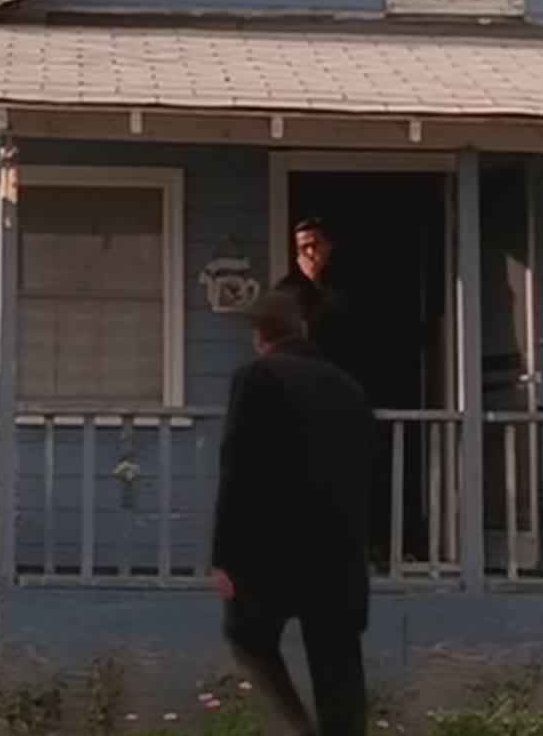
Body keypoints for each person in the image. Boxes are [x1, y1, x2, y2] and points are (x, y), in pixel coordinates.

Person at [211, 290, 372, 736]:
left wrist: (224, 555)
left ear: (260, 334)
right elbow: (363, 468)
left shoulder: (257, 377)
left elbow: (238, 467)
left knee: (248, 635)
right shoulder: (347, 387)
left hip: (272, 549)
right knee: (338, 663)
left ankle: (294, 726)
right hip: (340, 551)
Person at [275, 217, 354, 376]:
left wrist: (315, 281)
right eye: (304, 247)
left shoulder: (342, 283)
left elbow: (340, 319)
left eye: (315, 245)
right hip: (300, 370)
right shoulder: (286, 288)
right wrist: (311, 280)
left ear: (328, 246)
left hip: (337, 368)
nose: (310, 253)